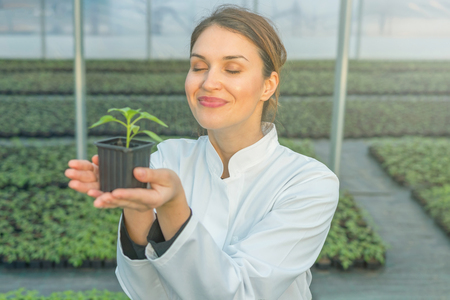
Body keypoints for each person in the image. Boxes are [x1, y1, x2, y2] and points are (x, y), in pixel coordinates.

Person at [65, 5, 339, 300]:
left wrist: (173, 207)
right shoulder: (168, 159)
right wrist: (136, 204)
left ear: (268, 85)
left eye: (232, 69)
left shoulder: (308, 184)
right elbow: (146, 291)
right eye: (198, 67)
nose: (209, 83)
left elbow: (241, 293)